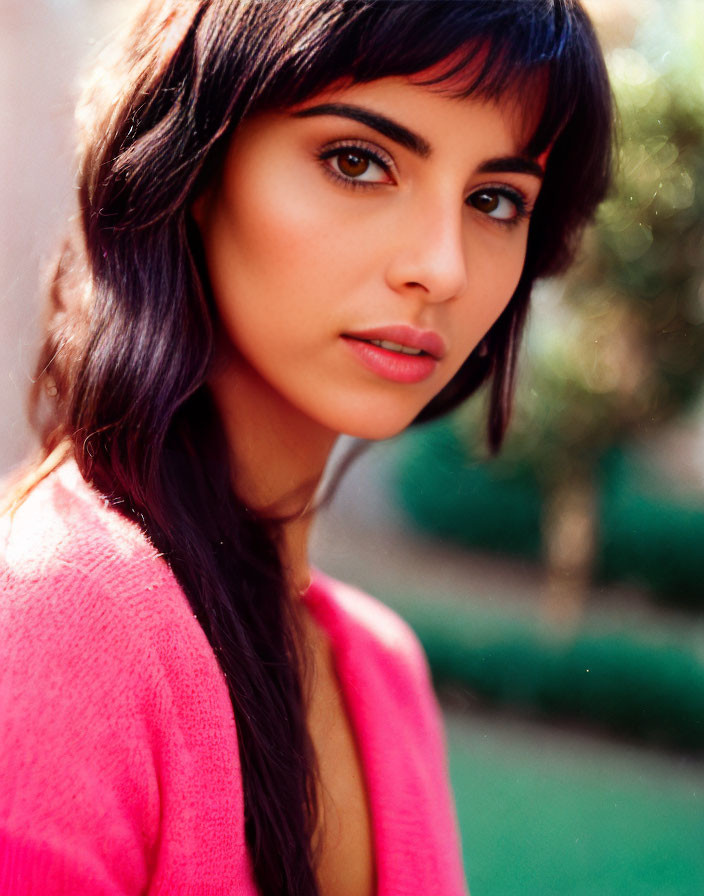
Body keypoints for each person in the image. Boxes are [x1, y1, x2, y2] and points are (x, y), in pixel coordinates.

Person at [0, 1, 612, 894]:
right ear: (194, 164)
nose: (441, 267)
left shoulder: (384, 673)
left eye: (495, 200)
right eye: (358, 161)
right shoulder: (55, 622)